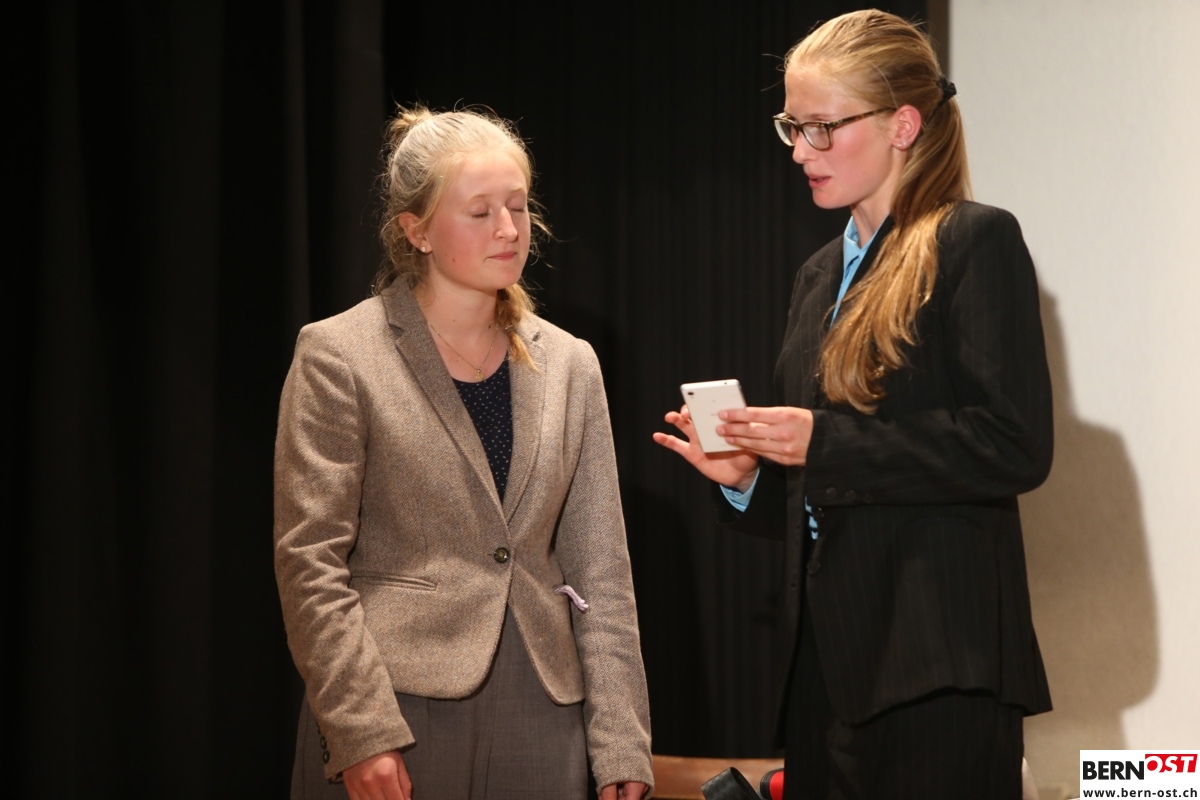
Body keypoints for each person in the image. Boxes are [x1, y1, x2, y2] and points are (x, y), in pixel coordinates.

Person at [653, 10, 1052, 799]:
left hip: (938, 670)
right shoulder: (816, 276)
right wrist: (753, 479)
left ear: (902, 125)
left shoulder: (974, 242)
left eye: (822, 128)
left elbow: (1013, 444)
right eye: (792, 128)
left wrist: (821, 443)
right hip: (826, 677)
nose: (800, 151)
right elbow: (839, 495)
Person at [275, 105, 653, 800]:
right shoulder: (339, 354)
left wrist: (622, 744)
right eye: (480, 211)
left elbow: (601, 569)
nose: (508, 229)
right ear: (415, 230)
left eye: (518, 206)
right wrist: (359, 729)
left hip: (545, 713)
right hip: (395, 706)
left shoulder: (571, 363)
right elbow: (309, 563)